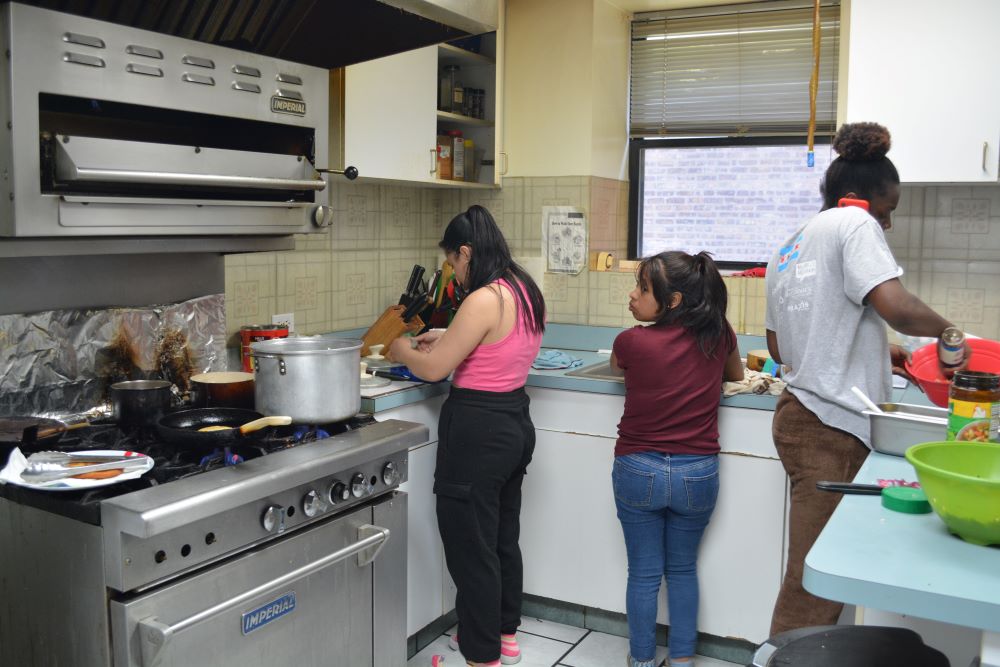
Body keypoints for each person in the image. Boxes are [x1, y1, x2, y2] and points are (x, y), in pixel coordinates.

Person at [765, 122, 963, 635]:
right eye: (887, 209)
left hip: (802, 416)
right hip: (830, 427)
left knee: (821, 572)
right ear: (859, 199)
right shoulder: (855, 225)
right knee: (814, 583)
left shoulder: (790, 245)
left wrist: (875, 351)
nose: (887, 223)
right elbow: (895, 306)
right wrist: (948, 333)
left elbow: (781, 348)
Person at [388, 205, 546, 667]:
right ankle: (502, 636)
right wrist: (448, 332)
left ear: (465, 252)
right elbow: (494, 341)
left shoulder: (483, 298)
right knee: (500, 537)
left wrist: (400, 347)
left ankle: (482, 657)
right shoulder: (522, 286)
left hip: (477, 429)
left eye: (453, 263)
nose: (454, 272)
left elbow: (435, 368)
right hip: (514, 421)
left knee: (470, 545)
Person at [610, 251, 744, 667]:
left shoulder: (631, 341)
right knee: (683, 570)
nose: (632, 296)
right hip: (697, 474)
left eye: (643, 289)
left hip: (638, 469)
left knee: (645, 575)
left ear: (672, 301)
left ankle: (643, 661)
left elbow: (618, 368)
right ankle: (683, 661)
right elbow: (736, 376)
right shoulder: (718, 335)